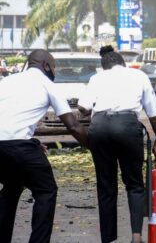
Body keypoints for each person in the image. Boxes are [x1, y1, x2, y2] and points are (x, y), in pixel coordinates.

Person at [77, 46, 156, 243]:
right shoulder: (139, 75)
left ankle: (108, 239)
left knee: (106, 185)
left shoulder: (96, 78)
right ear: (122, 63)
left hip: (99, 128)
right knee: (134, 184)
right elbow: (154, 116)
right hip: (127, 127)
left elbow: (83, 108)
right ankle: (136, 236)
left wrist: (85, 110)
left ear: (104, 65)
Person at [0, 49, 89, 243]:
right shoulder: (47, 84)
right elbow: (73, 126)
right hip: (21, 148)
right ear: (46, 66)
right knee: (46, 191)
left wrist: (31, 141)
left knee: (12, 187)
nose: (54, 72)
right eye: (54, 67)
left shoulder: (6, 82)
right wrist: (95, 147)